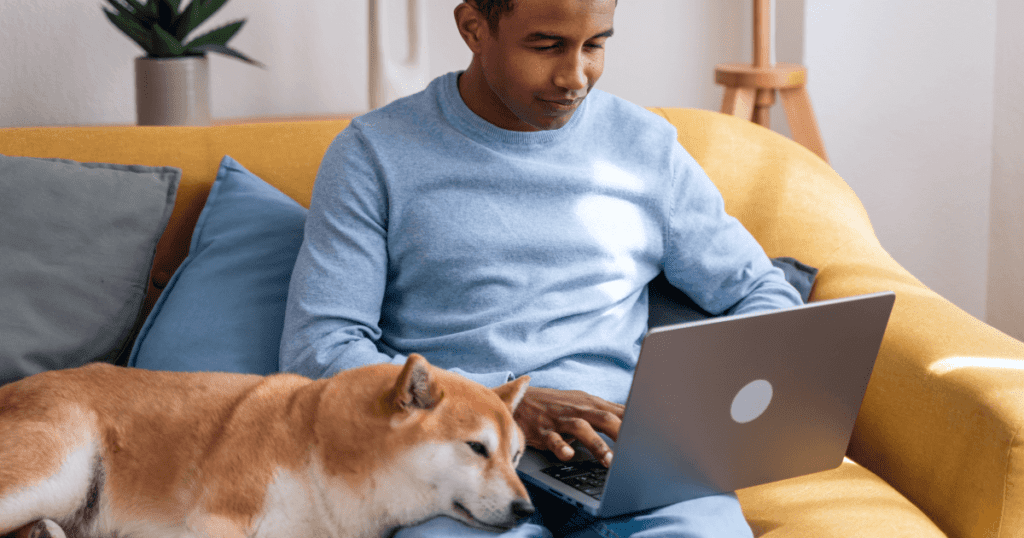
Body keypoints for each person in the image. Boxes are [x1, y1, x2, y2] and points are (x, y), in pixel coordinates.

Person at [279, 0, 803, 536]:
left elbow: (762, 292)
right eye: (547, 45)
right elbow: (321, 348)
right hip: (452, 466)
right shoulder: (372, 154)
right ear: (474, 28)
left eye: (595, 45)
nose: (575, 77)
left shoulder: (645, 147)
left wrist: (687, 406)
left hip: (625, 463)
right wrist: (499, 406)